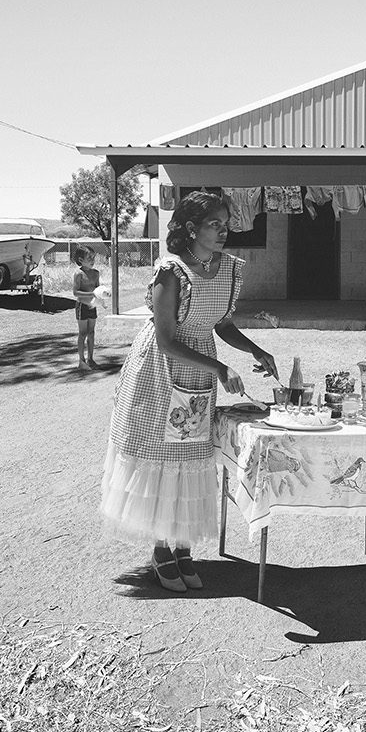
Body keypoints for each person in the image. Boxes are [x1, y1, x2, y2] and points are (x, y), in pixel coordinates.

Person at [100, 191, 279, 592]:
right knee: (161, 455)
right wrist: (219, 367)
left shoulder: (228, 269)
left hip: (196, 377)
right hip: (160, 373)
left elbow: (221, 325)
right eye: (214, 224)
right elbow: (165, 339)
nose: (223, 231)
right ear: (191, 228)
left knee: (189, 453)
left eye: (226, 223)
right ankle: (161, 548)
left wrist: (256, 349)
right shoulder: (172, 271)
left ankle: (180, 547)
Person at [72, 244, 101, 370]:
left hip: (92, 306)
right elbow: (75, 292)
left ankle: (90, 359)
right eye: (89, 259)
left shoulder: (96, 273)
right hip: (82, 307)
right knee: (83, 333)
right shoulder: (78, 274)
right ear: (80, 260)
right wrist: (92, 293)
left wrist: (102, 295)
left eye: (93, 258)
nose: (92, 261)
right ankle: (81, 361)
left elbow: (98, 289)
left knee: (92, 332)